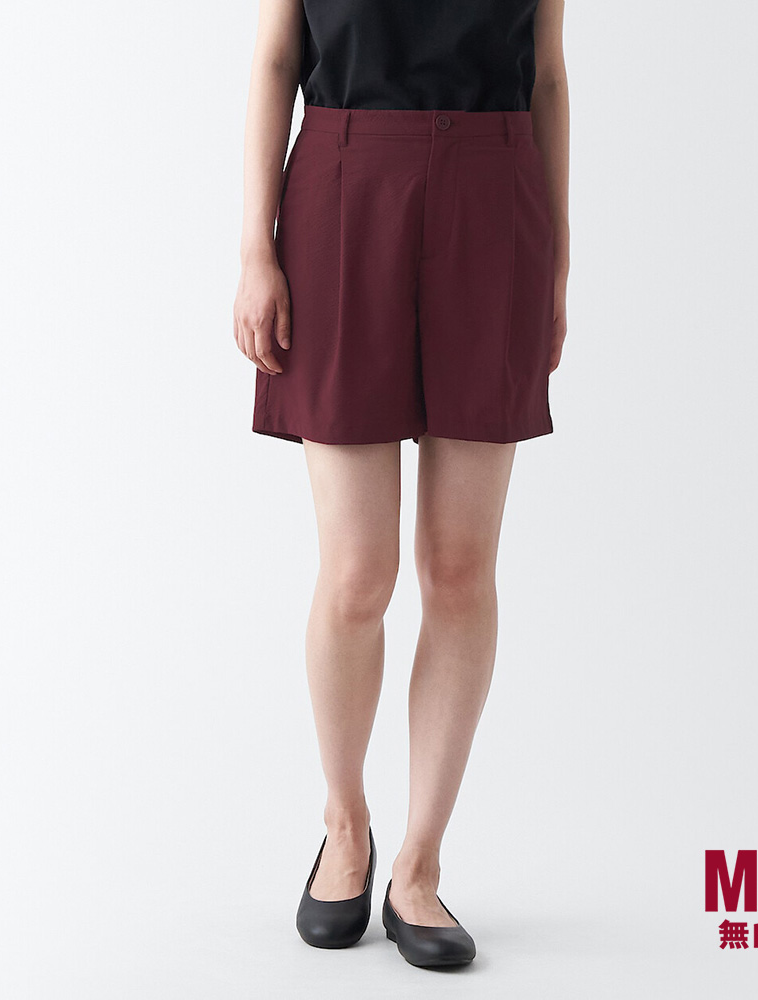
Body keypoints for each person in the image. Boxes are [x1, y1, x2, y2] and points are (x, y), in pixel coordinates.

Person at [233, 0, 568, 970]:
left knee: (459, 571)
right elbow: (275, 59)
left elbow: (547, 75)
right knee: (356, 575)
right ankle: (345, 824)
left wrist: (557, 260)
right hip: (343, 191)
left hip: (494, 199)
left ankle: (419, 864)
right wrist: (254, 246)